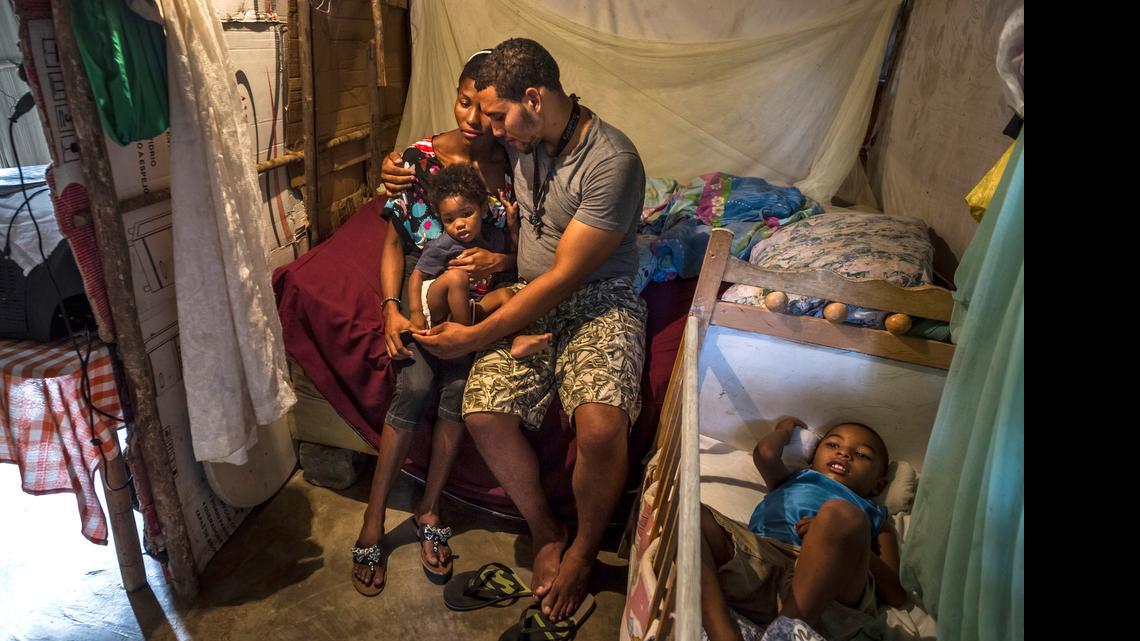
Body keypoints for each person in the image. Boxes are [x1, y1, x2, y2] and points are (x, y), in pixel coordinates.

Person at [387, 37, 647, 621]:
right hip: (531, 295)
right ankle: (545, 530)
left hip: (597, 299)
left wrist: (477, 336)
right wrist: (397, 168)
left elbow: (561, 281)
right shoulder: (527, 142)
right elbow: (445, 158)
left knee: (602, 426)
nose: (491, 128)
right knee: (482, 409)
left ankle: (582, 551)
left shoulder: (612, 163)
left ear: (533, 98)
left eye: (499, 114)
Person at [350, 49, 515, 597]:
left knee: (461, 392)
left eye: (485, 111)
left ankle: (427, 509)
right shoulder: (416, 161)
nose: (471, 120)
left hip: (479, 311)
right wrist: (390, 308)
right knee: (415, 383)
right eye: (464, 102)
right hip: (422, 303)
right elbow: (395, 244)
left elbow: (526, 249)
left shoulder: (517, 166)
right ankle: (373, 522)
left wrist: (504, 263)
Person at [699, 418, 908, 641]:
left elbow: (895, 594)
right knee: (689, 512)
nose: (845, 454)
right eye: (833, 445)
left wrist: (840, 538)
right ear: (811, 459)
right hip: (761, 559)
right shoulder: (793, 480)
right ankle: (723, 634)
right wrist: (785, 429)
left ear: (878, 485)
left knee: (840, 515)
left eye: (862, 455)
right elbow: (765, 453)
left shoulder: (873, 514)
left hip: (830, 589)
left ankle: (785, 633)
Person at [409, 163, 552, 358]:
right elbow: (417, 275)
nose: (459, 224)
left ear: (483, 208)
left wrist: (512, 226)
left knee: (507, 295)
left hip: (471, 305)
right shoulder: (442, 245)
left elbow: (517, 255)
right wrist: (415, 311)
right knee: (457, 277)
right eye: (449, 220)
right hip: (438, 305)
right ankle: (465, 341)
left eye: (467, 214)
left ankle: (517, 339)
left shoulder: (492, 236)